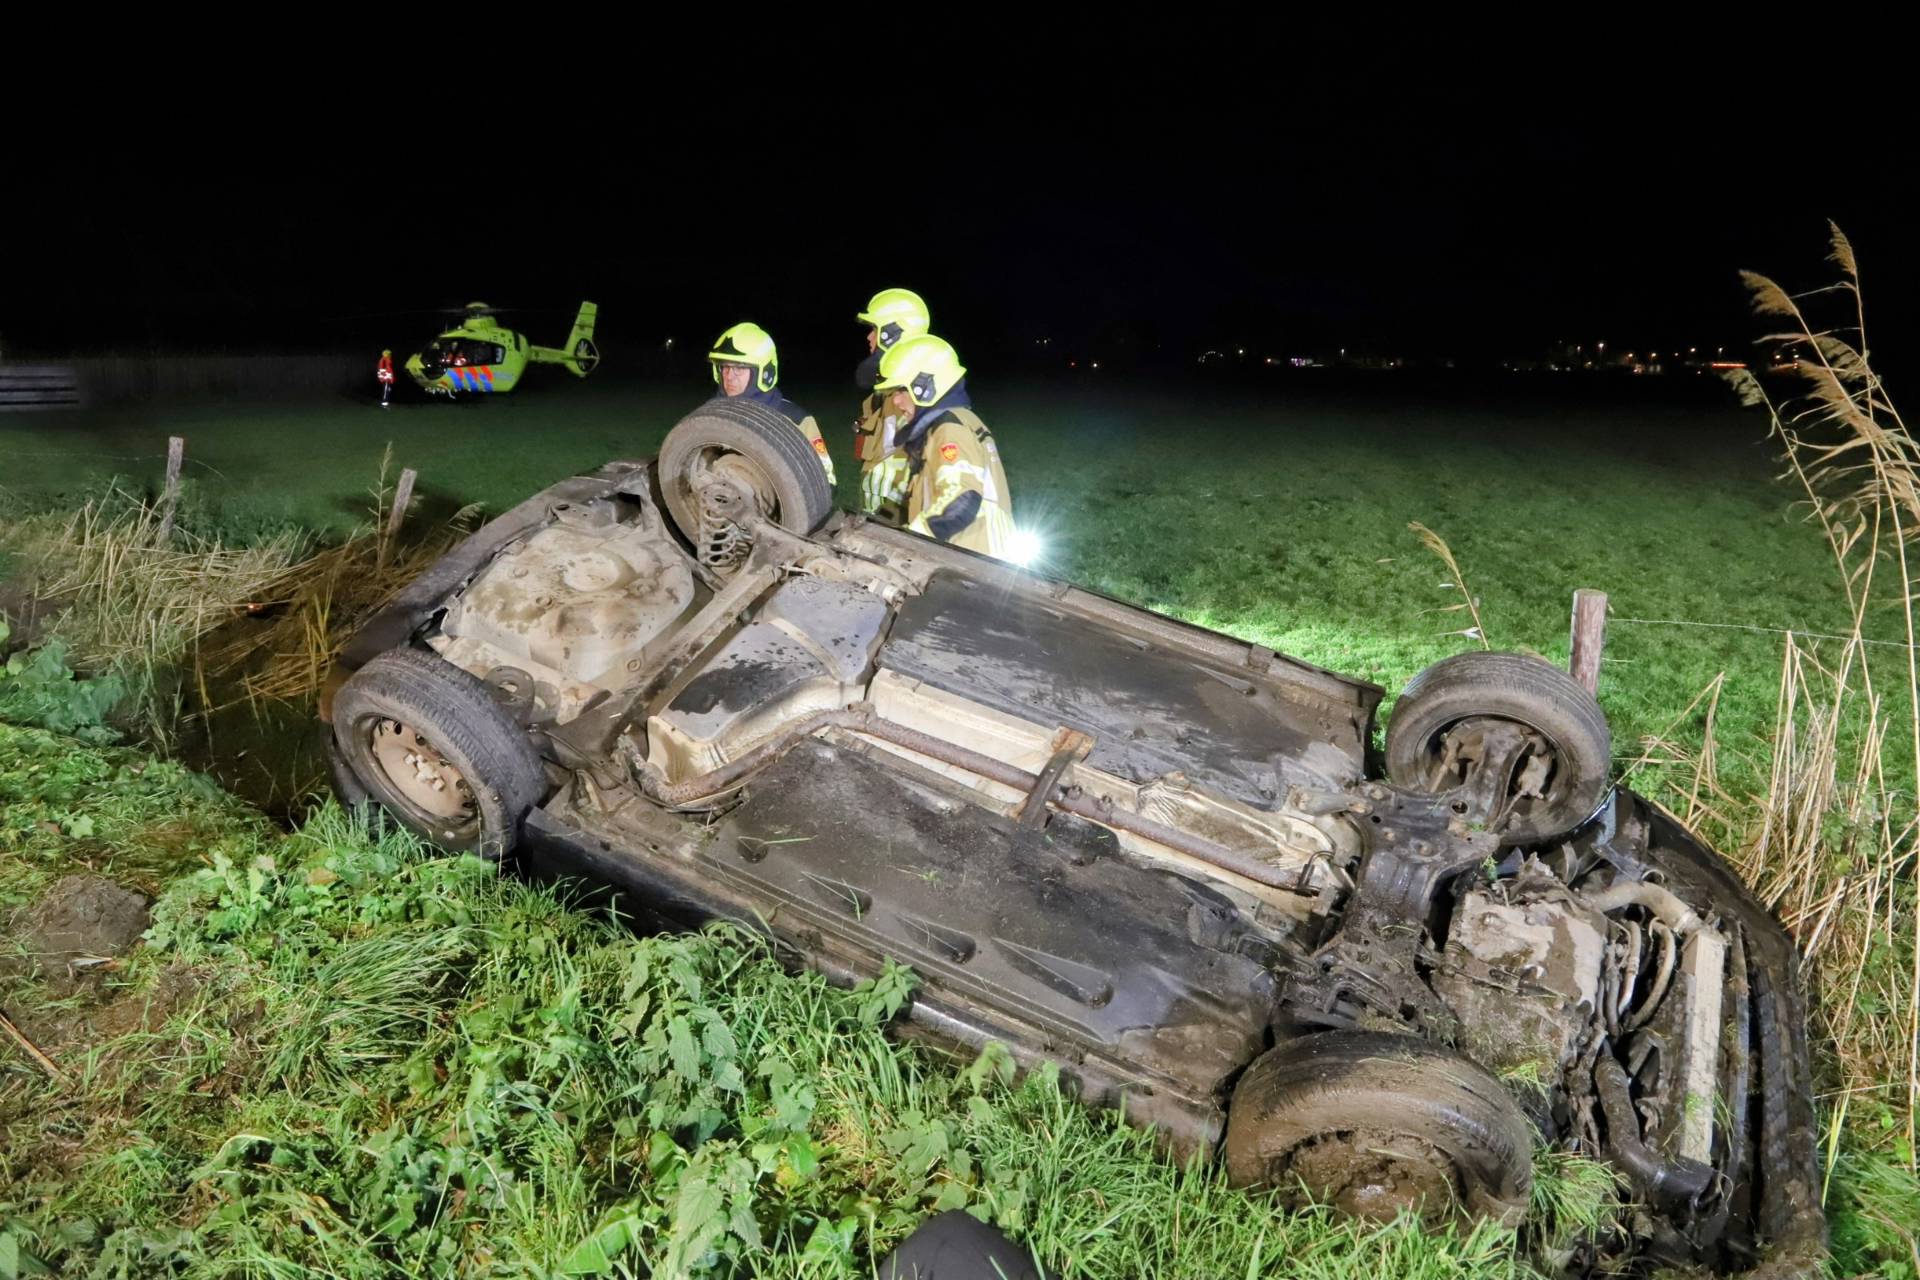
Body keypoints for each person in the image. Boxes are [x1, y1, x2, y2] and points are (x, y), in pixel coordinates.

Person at [872, 334, 1012, 559]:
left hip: (974, 562)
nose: (896, 402)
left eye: (900, 391)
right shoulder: (945, 425)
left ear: (924, 387)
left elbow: (962, 498)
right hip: (972, 556)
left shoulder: (949, 429)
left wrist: (913, 540)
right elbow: (919, 496)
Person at [708, 322, 835, 485]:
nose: (729, 376)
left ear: (763, 372)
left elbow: (826, 482)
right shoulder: (709, 414)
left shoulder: (796, 420)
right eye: (724, 367)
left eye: (739, 368)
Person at [853, 289, 929, 519]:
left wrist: (886, 520)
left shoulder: (912, 396)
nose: (869, 337)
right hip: (879, 515)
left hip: (893, 521)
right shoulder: (889, 390)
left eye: (875, 330)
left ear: (892, 334)